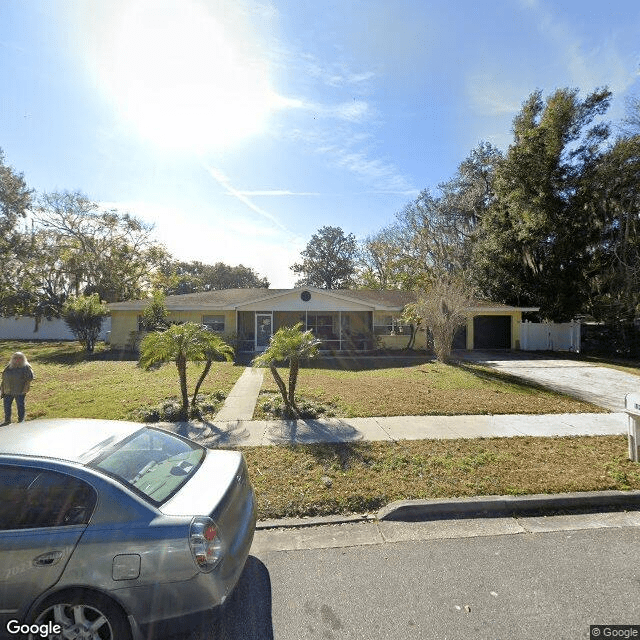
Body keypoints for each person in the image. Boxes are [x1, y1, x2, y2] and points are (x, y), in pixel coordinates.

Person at [1, 352, 35, 425]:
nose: (17, 360)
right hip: (7, 391)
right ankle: (7, 420)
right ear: (12, 359)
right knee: (7, 406)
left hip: (20, 391)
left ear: (23, 359)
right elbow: (3, 379)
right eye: (15, 358)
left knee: (20, 406)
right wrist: (2, 390)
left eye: (20, 358)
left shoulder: (26, 367)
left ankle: (21, 420)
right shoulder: (8, 367)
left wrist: (26, 389)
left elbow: (29, 379)